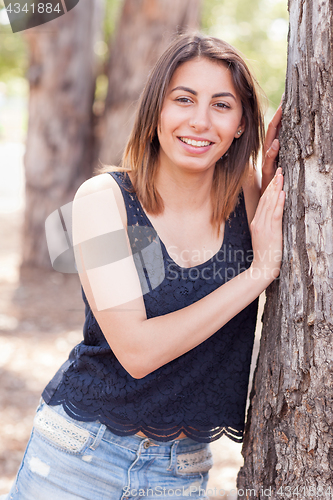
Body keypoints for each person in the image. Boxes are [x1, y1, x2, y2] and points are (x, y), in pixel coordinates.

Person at [6, 32, 284, 499]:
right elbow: (136, 352)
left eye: (221, 105)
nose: (200, 121)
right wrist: (258, 273)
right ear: (156, 108)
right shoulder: (104, 201)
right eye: (183, 99)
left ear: (240, 123)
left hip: (181, 472)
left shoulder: (248, 196)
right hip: (79, 460)